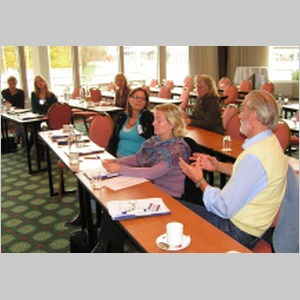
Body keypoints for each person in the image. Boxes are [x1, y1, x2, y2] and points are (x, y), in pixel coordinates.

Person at [178, 90, 289, 250]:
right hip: (255, 229)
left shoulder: (255, 156)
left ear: (255, 115)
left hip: (237, 231)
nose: (239, 116)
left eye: (242, 110)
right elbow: (255, 178)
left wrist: (199, 181)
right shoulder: (271, 144)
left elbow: (223, 207)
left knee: (176, 210)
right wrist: (218, 166)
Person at [94, 103, 191, 252]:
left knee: (117, 208)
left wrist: (120, 169)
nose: (153, 123)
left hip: (168, 198)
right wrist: (115, 161)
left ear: (172, 124)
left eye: (158, 120)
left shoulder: (177, 149)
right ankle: (107, 247)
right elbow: (138, 158)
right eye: (154, 119)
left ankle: (106, 248)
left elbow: (153, 172)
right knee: (113, 205)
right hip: (148, 189)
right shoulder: (155, 141)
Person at [107, 87, 154, 157]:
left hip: (137, 161)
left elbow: (152, 140)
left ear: (146, 103)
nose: (139, 100)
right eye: (135, 97)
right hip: (118, 158)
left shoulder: (148, 119)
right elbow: (113, 140)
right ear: (129, 99)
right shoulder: (122, 116)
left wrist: (146, 115)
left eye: (143, 98)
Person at [1, 76, 25, 145]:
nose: (12, 86)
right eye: (10, 84)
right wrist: (5, 104)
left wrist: (15, 108)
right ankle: (8, 141)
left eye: (13, 84)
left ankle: (19, 138)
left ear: (16, 83)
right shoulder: (4, 92)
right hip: (7, 112)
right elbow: (2, 103)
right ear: (8, 84)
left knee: (19, 124)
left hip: (18, 112)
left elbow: (22, 106)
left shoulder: (20, 92)